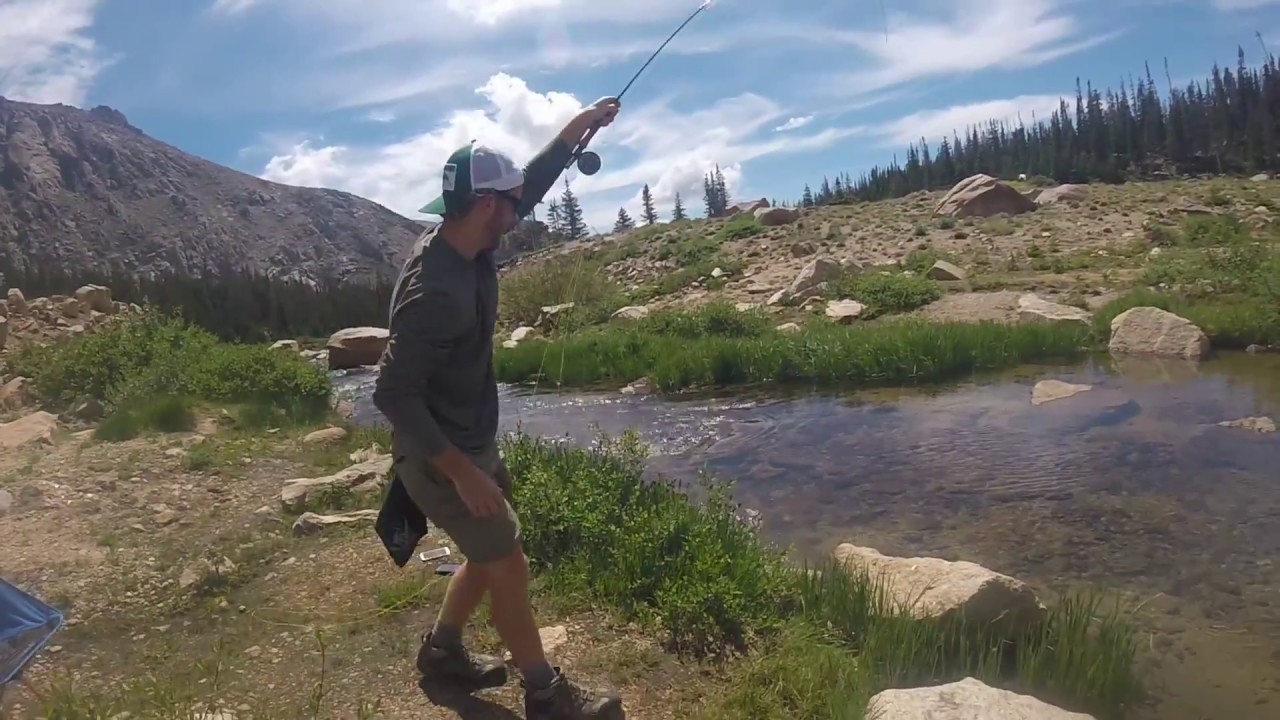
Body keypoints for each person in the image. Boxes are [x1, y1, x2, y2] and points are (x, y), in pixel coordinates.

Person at [372, 97, 624, 720]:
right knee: (507, 563)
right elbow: (392, 393)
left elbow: (530, 183)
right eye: (511, 202)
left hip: (469, 442)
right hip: (440, 457)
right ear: (487, 206)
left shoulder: (468, 238)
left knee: (491, 553)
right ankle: (546, 694)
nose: (521, 207)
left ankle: (443, 652)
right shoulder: (436, 291)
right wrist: (462, 473)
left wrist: (580, 126)